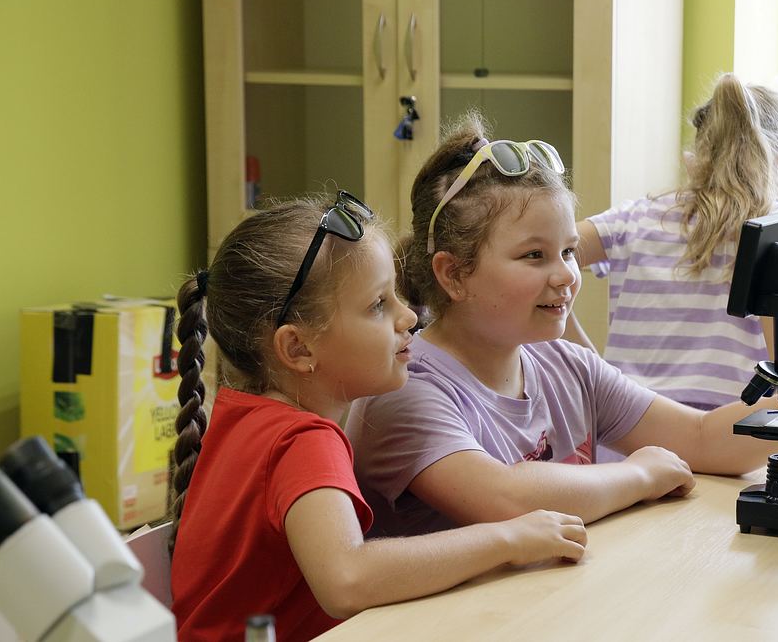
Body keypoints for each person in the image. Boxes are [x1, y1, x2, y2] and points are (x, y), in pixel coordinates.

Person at [345, 113, 778, 538]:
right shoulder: (406, 390)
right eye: (534, 255)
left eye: (568, 252)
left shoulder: (567, 366)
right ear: (453, 274)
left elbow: (702, 436)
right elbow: (503, 497)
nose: (565, 275)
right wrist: (638, 475)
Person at [169, 195, 587, 642]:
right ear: (298, 348)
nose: (407, 316)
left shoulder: (243, 415)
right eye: (377, 305)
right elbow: (347, 579)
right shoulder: (301, 439)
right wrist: (510, 539)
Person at [568, 73, 778, 460]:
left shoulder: (636, 217)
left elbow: (549, 255)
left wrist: (584, 360)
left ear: (698, 152)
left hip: (626, 436)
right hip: (726, 439)